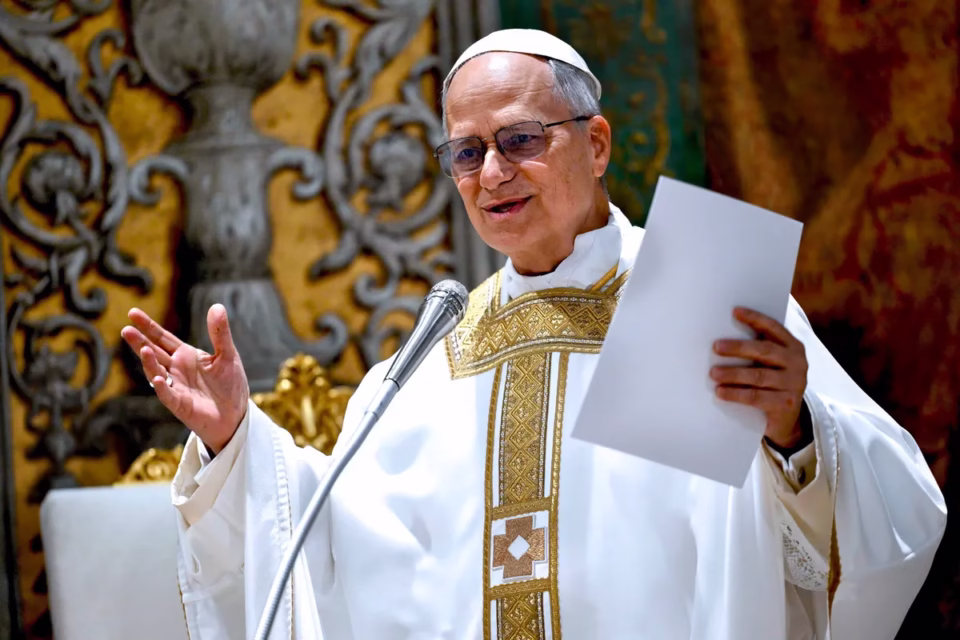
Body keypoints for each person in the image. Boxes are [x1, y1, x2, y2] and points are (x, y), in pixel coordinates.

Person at [122, 29, 945, 640]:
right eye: (467, 152)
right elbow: (329, 549)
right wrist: (235, 438)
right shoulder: (433, 357)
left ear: (595, 142)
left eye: (519, 140)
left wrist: (794, 431)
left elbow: (895, 510)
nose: (492, 174)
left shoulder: (703, 298)